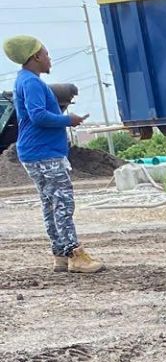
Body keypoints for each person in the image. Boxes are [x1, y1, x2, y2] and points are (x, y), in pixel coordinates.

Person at [2, 34, 103, 274]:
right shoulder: (32, 83)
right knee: (63, 202)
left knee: (50, 203)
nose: (49, 58)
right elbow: (38, 116)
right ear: (35, 56)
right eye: (46, 53)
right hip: (44, 153)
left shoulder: (24, 80)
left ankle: (60, 254)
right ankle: (75, 255)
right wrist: (69, 119)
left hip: (34, 152)